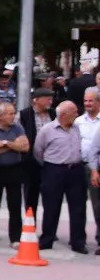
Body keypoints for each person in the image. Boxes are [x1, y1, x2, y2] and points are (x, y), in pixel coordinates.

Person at [34, 100, 88, 253]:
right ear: (63, 115)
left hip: (75, 170)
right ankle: (47, 240)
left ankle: (78, 242)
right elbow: (38, 151)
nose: (77, 115)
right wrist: (51, 166)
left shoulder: (77, 128)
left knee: (78, 207)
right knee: (51, 206)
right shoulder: (47, 130)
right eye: (74, 112)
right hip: (54, 170)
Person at [0, 103, 29, 246]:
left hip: (14, 169)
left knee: (15, 205)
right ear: (0, 116)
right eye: (10, 113)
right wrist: (14, 145)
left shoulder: (17, 127)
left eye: (14, 113)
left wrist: (5, 143)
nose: (13, 116)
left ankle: (15, 238)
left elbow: (25, 146)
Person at [21, 86, 56, 216]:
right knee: (31, 195)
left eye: (51, 99)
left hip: (51, 160)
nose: (50, 102)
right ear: (36, 100)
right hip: (32, 162)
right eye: (47, 99)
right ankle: (31, 225)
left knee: (51, 196)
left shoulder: (53, 114)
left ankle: (49, 229)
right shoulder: (25, 115)